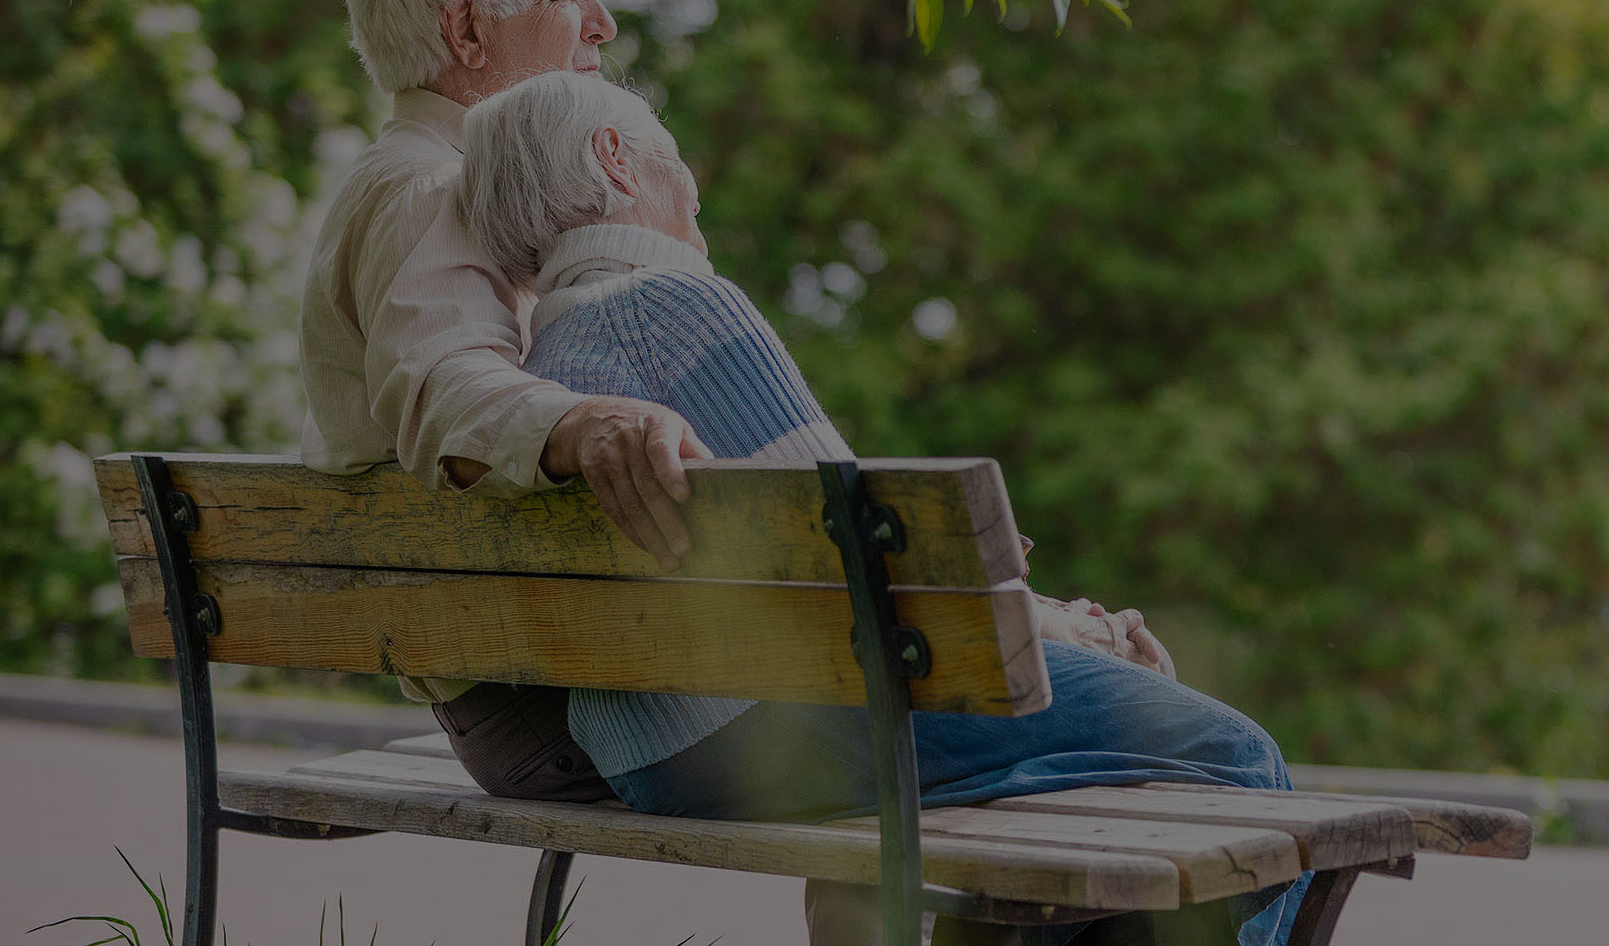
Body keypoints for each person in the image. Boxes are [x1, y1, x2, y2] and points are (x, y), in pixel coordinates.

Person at [455, 68, 1313, 946]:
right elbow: (872, 566)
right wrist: (1084, 634)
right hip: (773, 722)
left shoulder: (538, 376)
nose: (694, 197)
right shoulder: (673, 306)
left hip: (648, 757)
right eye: (676, 163)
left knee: (1071, 801)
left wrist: (1042, 620)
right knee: (1237, 761)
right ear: (617, 161)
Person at [299, 0, 709, 806]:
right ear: (468, 31)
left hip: (552, 662)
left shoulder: (447, 183)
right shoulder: (428, 189)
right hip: (548, 700)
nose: (601, 23)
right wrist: (585, 424)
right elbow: (443, 383)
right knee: (930, 720)